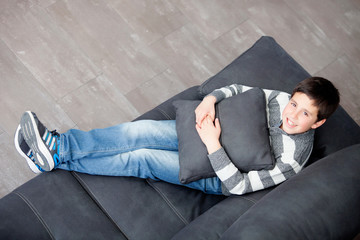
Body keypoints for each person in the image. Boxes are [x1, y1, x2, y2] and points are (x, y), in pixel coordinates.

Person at [14, 77, 340, 196]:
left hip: (214, 172)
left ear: (318, 122)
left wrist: (213, 143)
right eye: (295, 104)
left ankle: (52, 157)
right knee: (138, 131)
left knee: (142, 158)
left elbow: (238, 187)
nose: (292, 115)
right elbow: (241, 90)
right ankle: (58, 148)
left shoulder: (292, 159)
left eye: (305, 114)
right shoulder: (284, 99)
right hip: (205, 130)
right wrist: (211, 100)